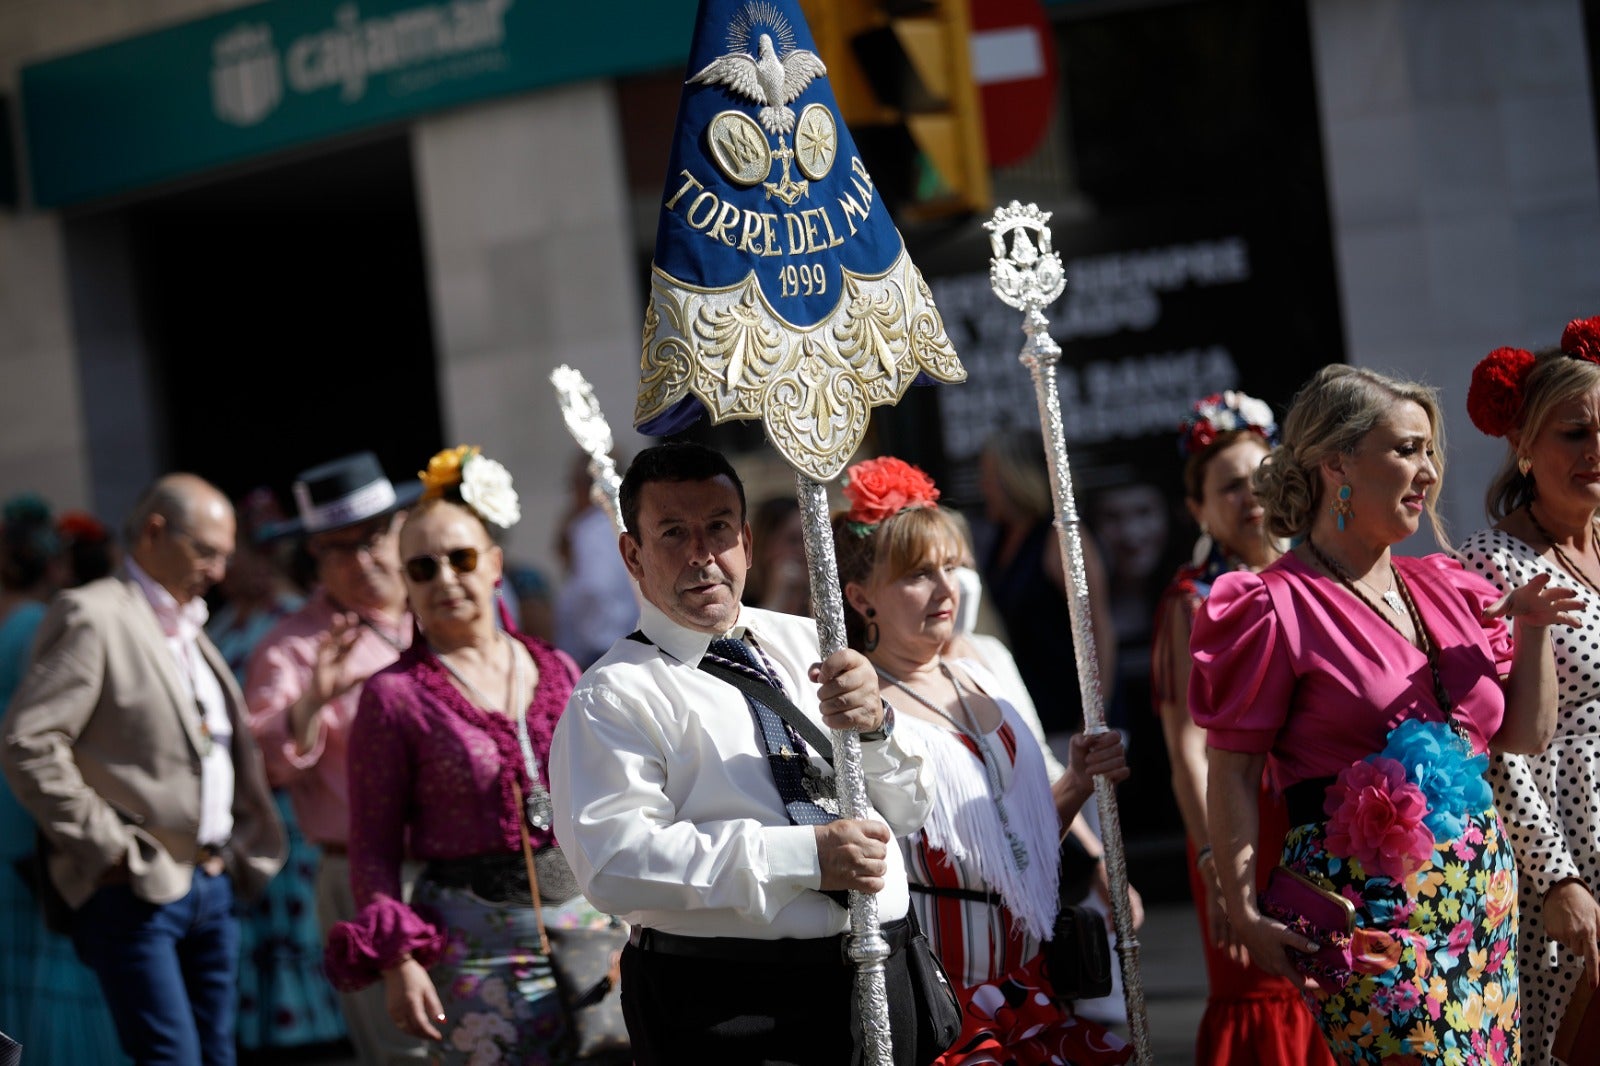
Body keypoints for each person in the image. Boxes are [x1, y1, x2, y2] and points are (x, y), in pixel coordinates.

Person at [1191, 365, 1578, 1064]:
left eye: (1429, 450)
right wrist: (1243, 908)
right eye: (1404, 450)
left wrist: (1533, 634)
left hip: (1480, 904)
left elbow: (1524, 736)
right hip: (1368, 920)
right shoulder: (1274, 604)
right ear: (1336, 463)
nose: (1426, 470)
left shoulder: (1446, 585)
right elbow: (1233, 768)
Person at [549, 441, 934, 1065]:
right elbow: (616, 862)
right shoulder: (613, 694)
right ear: (632, 554)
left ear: (747, 544)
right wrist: (804, 857)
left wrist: (877, 728)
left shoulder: (811, 640)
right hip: (734, 1001)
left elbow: (909, 809)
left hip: (884, 971)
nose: (702, 555)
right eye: (673, 532)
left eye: (718, 529)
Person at [834, 455, 1133, 1065]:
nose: (946, 589)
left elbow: (1022, 831)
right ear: (862, 597)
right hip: (944, 1002)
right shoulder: (858, 710)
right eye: (919, 573)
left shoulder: (986, 664)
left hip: (1035, 980)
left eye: (952, 566)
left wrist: (1077, 782)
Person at [0, 473, 287, 1066]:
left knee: (215, 1056)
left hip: (212, 882)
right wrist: (109, 851)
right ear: (155, 532)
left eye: (225, 556)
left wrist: (232, 858)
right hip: (137, 889)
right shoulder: (93, 614)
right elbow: (30, 743)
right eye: (206, 551)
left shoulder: (191, 624)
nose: (218, 569)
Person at [325, 445, 590, 1064]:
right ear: (405, 585)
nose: (445, 578)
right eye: (421, 568)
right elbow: (373, 848)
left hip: (587, 929)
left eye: (461, 558)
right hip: (473, 950)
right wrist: (398, 962)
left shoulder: (558, 667)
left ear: (494, 564)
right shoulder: (393, 697)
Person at [1150, 393, 1332, 1064]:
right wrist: (1217, 863)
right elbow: (1186, 748)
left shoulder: (1322, 573)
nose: (1250, 496)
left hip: (1324, 820)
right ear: (1198, 509)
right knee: (1262, 996)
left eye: (1260, 477)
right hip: (1237, 826)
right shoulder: (1191, 599)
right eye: (1228, 487)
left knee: (1336, 989)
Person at [244, 451, 426, 1064]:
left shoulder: (444, 609)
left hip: (468, 867)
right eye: (339, 548)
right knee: (407, 1049)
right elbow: (268, 763)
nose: (363, 559)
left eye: (375, 537)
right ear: (314, 557)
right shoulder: (290, 646)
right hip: (364, 875)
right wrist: (314, 698)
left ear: (402, 528)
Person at [1457, 319, 1600, 1065]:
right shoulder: (1491, 561)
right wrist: (1557, 878)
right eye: (1575, 433)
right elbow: (1496, 746)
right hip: (1574, 834)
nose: (1596, 451)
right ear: (1524, 447)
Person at [0, 493, 127, 1064]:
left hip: (9, 807)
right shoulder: (35, 625)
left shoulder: (20, 624)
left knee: (23, 954)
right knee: (55, 946)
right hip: (28, 805)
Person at [978, 428, 1115, 744]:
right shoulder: (1002, 540)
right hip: (1032, 720)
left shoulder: (1061, 536)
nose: (982, 487)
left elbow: (1099, 628)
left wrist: (1094, 717)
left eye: (989, 476)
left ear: (1016, 477)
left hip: (1076, 725)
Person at [553, 449, 637, 667]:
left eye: (574, 485)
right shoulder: (627, 522)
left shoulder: (590, 528)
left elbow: (594, 588)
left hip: (600, 651)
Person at [744, 494, 810, 616]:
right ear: (765, 546)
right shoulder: (740, 604)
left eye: (809, 541)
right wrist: (777, 600)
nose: (803, 551)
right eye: (792, 540)